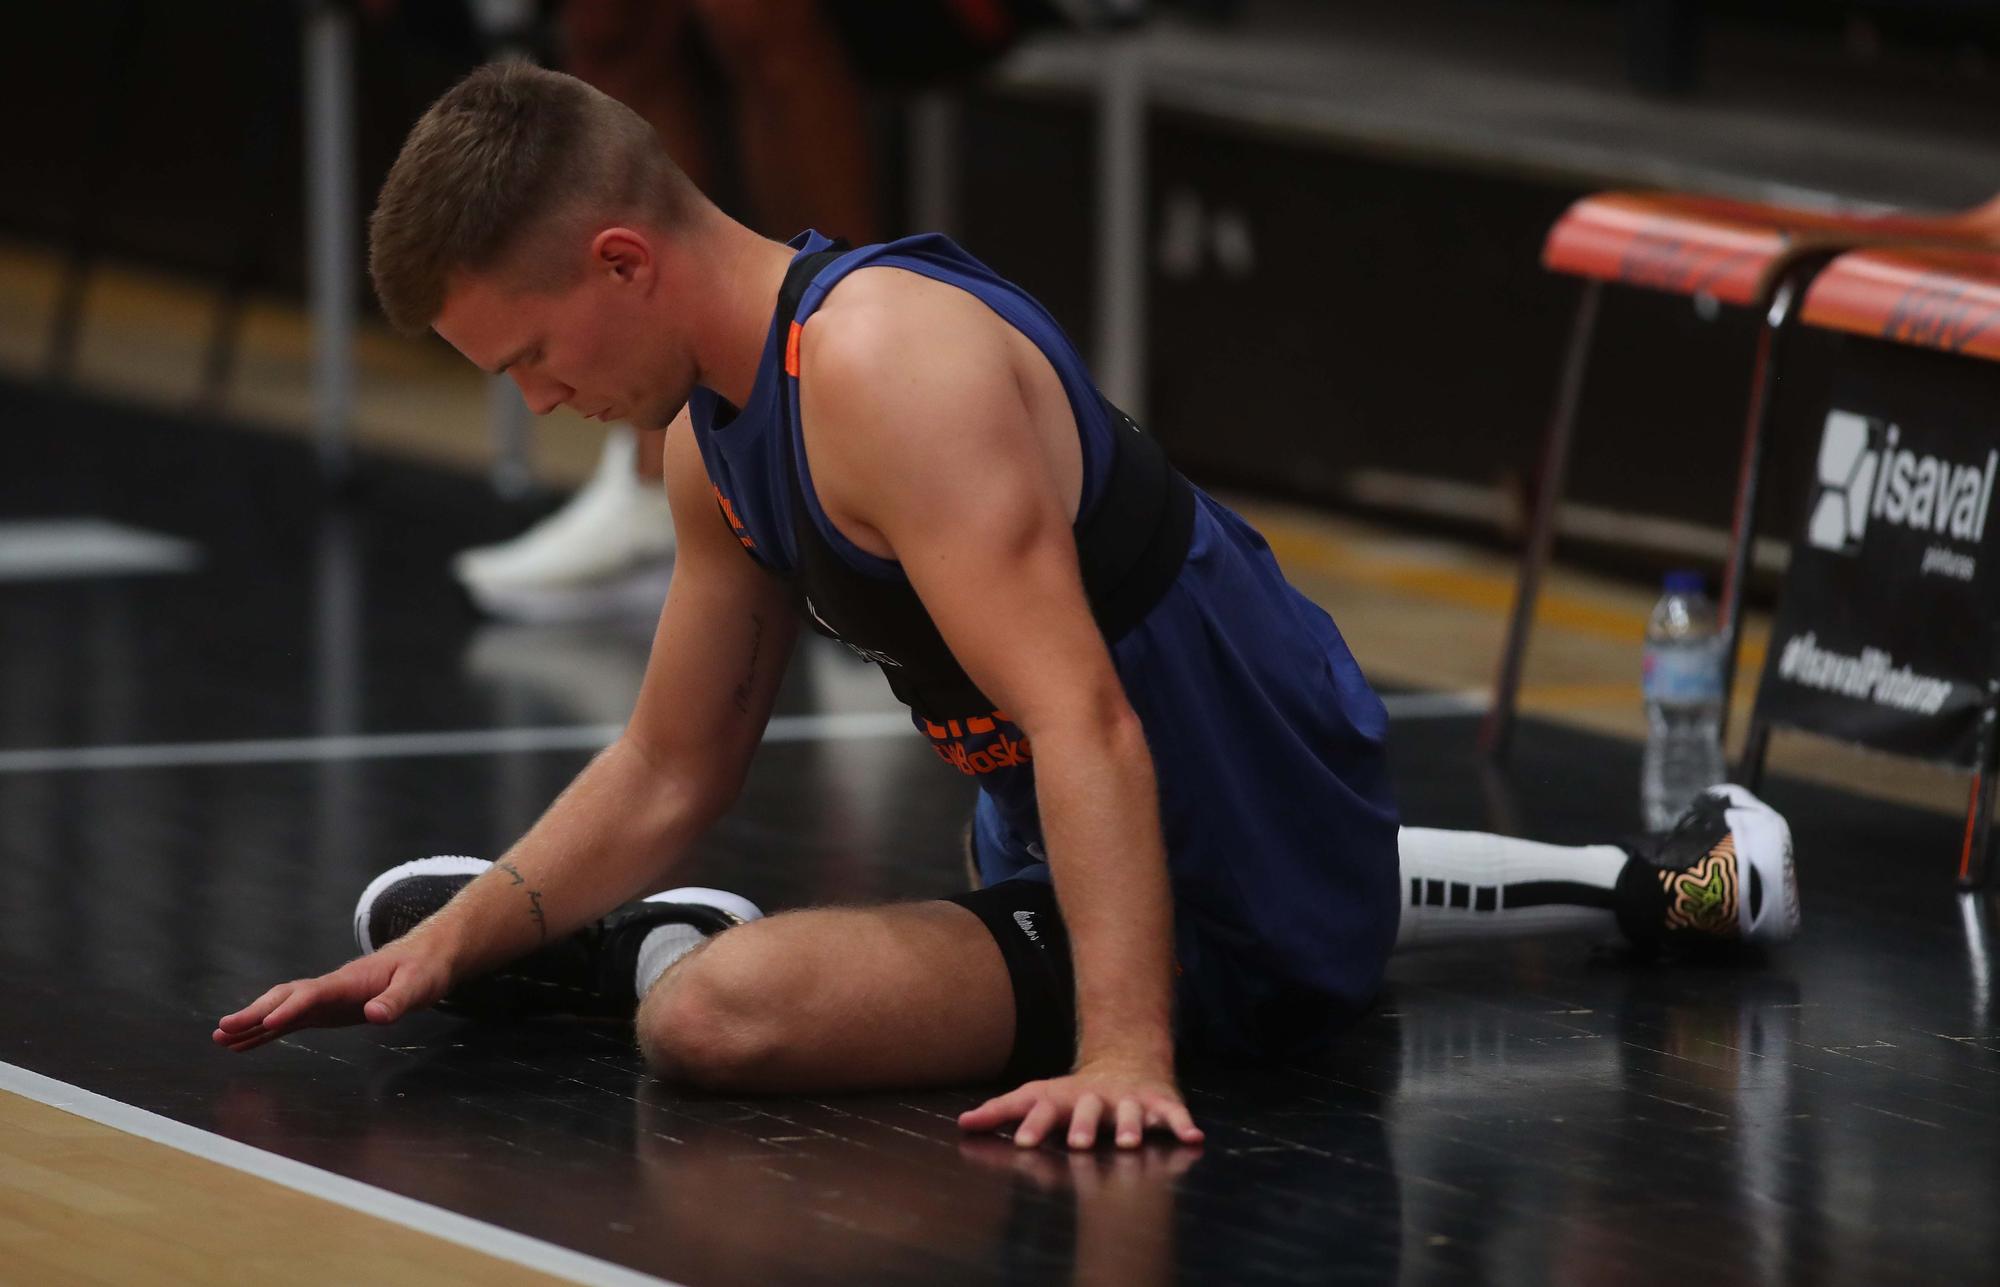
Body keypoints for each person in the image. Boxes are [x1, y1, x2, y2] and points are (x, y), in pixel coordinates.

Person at [214, 64, 1799, 1150]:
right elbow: (670, 768)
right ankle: (1668, 885)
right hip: (1099, 832)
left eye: (531, 359)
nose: (543, 403)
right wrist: (456, 944)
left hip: (1197, 798)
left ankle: (666, 958)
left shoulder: (879, 368)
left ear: (621, 259)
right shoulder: (716, 445)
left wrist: (1123, 1056)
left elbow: (1083, 717)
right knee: (745, 1001)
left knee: (715, 1022)